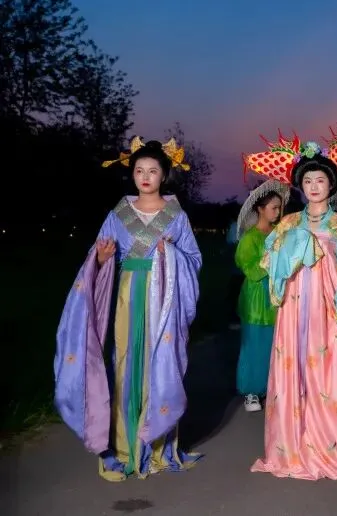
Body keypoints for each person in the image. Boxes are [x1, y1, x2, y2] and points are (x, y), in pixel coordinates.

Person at [54, 137, 202, 481]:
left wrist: (171, 255)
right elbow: (98, 253)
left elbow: (194, 260)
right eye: (139, 171)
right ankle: (123, 449)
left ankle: (157, 446)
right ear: (132, 174)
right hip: (127, 295)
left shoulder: (177, 215)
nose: (145, 177)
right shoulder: (117, 213)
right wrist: (101, 258)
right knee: (124, 365)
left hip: (162, 297)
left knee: (159, 364)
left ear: (164, 174)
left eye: (153, 171)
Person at [244, 132, 337, 480]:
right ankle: (291, 449)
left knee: (328, 372)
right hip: (294, 309)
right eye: (308, 181)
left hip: (326, 309)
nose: (314, 186)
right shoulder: (288, 223)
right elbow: (270, 262)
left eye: (320, 180)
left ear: (331, 185)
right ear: (300, 186)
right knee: (293, 370)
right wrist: (296, 249)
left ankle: (331, 449)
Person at [234, 180, 288, 412]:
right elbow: (252, 271)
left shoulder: (280, 233)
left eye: (279, 207)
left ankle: (273, 388)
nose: (277, 212)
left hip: (280, 295)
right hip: (257, 299)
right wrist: (272, 257)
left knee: (276, 346)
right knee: (254, 346)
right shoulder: (249, 238)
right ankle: (251, 392)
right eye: (273, 207)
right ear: (260, 209)